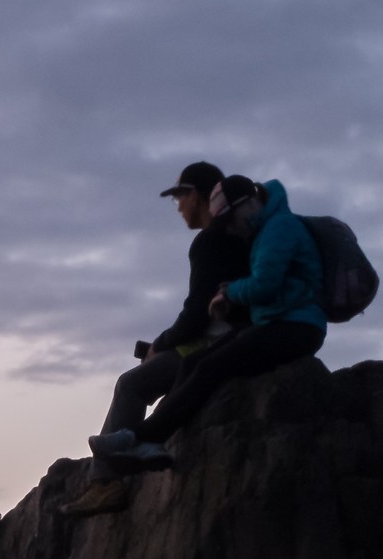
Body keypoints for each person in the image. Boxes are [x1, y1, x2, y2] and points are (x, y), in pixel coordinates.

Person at [88, 176, 326, 472]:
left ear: (248, 206)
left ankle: (137, 440)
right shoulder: (263, 230)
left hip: (296, 328)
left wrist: (229, 292)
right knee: (194, 365)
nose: (230, 228)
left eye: (230, 220)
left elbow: (265, 284)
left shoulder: (278, 228)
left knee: (211, 367)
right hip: (273, 324)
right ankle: (150, 442)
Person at [64, 162, 248, 516]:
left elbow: (197, 314)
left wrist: (160, 345)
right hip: (241, 338)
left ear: (195, 195)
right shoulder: (241, 238)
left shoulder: (209, 242)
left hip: (217, 343)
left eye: (180, 197)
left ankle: (106, 483)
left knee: (131, 385)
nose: (178, 207)